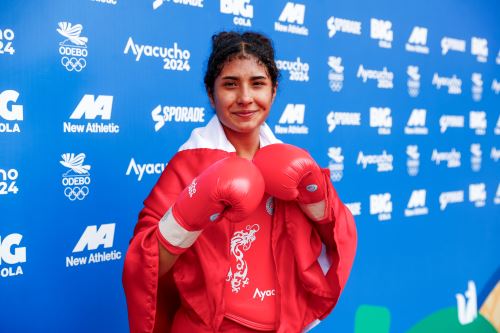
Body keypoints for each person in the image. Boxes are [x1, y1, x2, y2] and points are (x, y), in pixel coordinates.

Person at [123, 31, 357, 333]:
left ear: (273, 91)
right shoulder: (188, 165)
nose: (245, 98)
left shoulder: (294, 162)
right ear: (211, 93)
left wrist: (316, 193)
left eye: (257, 83)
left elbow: (338, 237)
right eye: (230, 84)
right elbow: (145, 266)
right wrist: (188, 216)